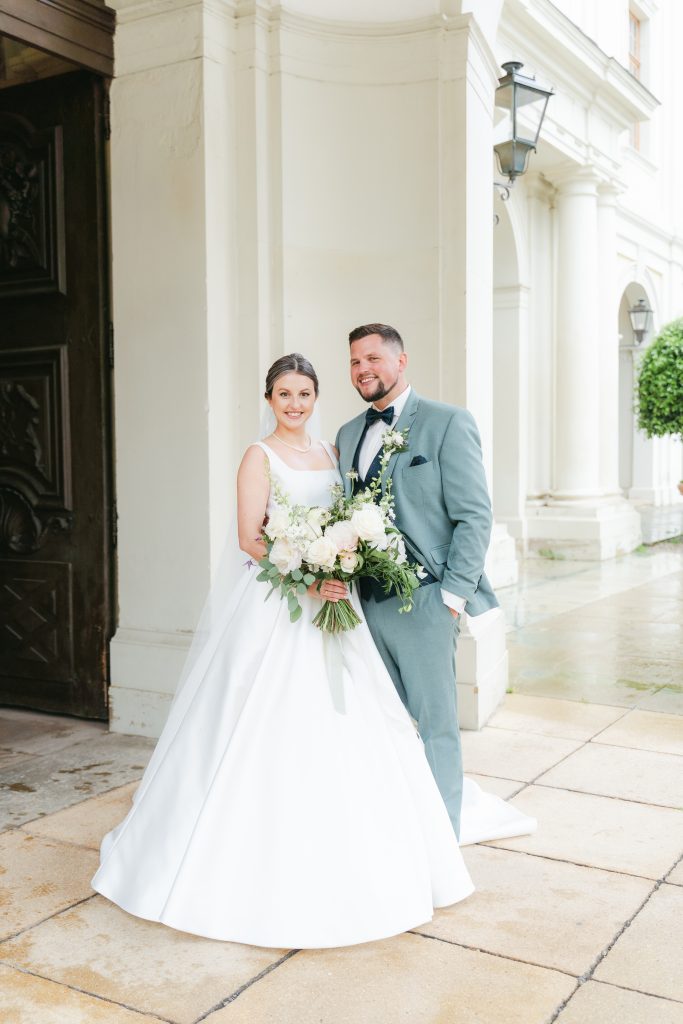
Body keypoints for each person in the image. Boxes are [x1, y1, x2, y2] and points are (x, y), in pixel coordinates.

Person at [91, 353, 476, 949]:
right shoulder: (258, 456)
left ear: (315, 398)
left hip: (337, 605)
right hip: (281, 605)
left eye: (304, 394)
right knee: (264, 722)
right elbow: (250, 538)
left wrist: (343, 562)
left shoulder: (332, 451)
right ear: (268, 399)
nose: (295, 404)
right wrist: (306, 574)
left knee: (358, 723)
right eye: (284, 394)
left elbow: (351, 519)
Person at [336, 324, 499, 839]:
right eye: (355, 362)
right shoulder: (346, 435)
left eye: (373, 358)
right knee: (381, 724)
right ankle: (397, 832)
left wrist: (451, 597)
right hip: (364, 607)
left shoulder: (448, 422)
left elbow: (475, 516)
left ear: (401, 361)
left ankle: (442, 839)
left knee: (436, 727)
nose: (363, 369)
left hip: (425, 600)